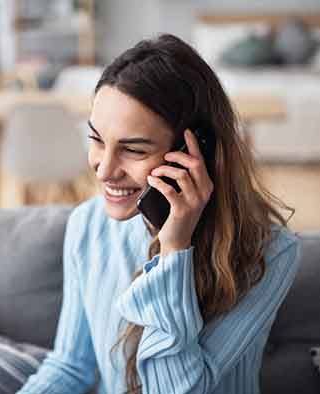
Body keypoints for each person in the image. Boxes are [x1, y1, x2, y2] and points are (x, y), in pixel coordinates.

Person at [16, 34, 302, 394]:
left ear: (194, 154)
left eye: (132, 150)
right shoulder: (87, 225)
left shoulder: (272, 254)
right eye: (97, 139)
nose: (104, 170)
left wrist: (173, 250)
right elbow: (70, 366)